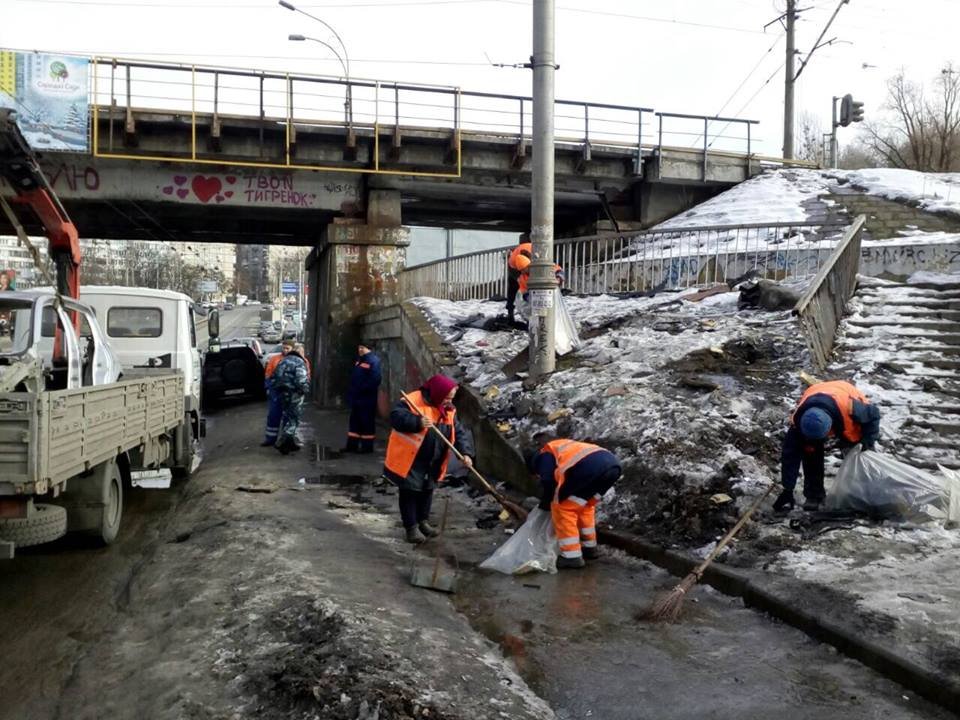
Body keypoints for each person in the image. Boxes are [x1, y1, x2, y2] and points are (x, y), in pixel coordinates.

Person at [383, 374, 475, 544]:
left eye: (451, 398)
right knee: (410, 492)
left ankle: (422, 521)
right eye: (447, 397)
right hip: (411, 458)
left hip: (434, 459)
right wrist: (417, 422)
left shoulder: (448, 410)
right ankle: (411, 527)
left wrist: (466, 453)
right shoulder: (412, 401)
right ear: (439, 393)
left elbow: (459, 433)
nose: (449, 401)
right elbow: (396, 418)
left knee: (427, 490)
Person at [775, 380, 881, 513]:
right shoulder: (798, 424)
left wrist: (867, 442)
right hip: (818, 394)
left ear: (830, 429)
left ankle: (867, 493)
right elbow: (790, 456)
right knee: (810, 452)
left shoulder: (852, 408)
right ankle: (814, 495)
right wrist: (788, 489)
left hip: (842, 395)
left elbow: (874, 414)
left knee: (860, 454)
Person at [527, 438, 621, 569]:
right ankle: (589, 548)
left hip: (591, 468)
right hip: (613, 466)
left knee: (563, 508)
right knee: (584, 506)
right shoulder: (561, 446)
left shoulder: (544, 456)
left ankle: (571, 557)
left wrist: (545, 505)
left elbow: (548, 482)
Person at [272, 342, 311, 454]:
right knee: (293, 420)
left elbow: (275, 377)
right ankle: (282, 441)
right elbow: (301, 380)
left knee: (288, 416)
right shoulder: (299, 362)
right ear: (300, 352)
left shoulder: (283, 361)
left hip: (283, 394)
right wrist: (305, 390)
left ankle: (290, 444)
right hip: (295, 394)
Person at [345, 344, 381, 453]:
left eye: (363, 348)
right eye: (359, 347)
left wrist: (362, 389)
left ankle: (367, 447)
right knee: (354, 422)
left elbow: (375, 379)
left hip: (366, 399)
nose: (360, 350)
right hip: (357, 397)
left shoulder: (373, 361)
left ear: (368, 349)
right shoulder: (360, 360)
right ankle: (352, 446)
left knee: (366, 422)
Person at [261, 339, 292, 447]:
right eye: (284, 347)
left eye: (287, 348)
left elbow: (305, 376)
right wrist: (268, 388)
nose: (285, 350)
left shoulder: (297, 360)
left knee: (288, 417)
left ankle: (286, 441)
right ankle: (270, 439)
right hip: (276, 392)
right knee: (273, 415)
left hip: (290, 393)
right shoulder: (274, 359)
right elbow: (268, 374)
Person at [506, 239, 532, 324]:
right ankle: (510, 314)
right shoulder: (513, 263)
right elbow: (523, 282)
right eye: (523, 270)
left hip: (527, 259)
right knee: (513, 290)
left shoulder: (536, 253)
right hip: (513, 268)